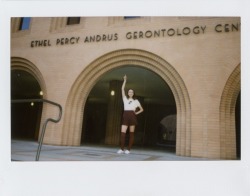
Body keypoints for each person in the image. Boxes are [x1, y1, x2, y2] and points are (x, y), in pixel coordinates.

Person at [117, 75, 144, 154]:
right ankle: (122, 149)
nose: (130, 93)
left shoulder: (136, 101)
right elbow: (122, 89)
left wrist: (136, 113)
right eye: (129, 92)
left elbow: (142, 109)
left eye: (132, 92)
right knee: (123, 133)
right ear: (128, 93)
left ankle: (128, 149)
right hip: (125, 115)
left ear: (133, 93)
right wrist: (125, 80)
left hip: (132, 116)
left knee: (131, 133)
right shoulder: (125, 99)